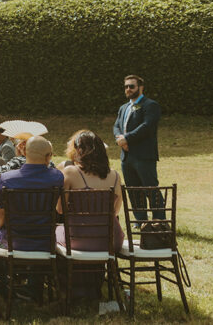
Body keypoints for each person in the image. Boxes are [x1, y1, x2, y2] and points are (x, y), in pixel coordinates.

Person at [57, 130, 125, 303]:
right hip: (110, 239)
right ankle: (93, 287)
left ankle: (72, 288)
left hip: (79, 238)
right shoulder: (115, 176)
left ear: (79, 151)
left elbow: (60, 210)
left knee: (56, 232)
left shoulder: (70, 172)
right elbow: (115, 212)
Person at [0, 136, 64, 250]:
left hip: (13, 240)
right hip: (45, 241)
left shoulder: (6, 179)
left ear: (24, 153)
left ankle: (2, 267)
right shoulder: (57, 177)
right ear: (48, 156)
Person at [113, 75, 164, 220]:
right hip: (126, 156)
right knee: (133, 190)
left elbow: (147, 127)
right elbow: (116, 126)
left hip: (143, 155)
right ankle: (140, 220)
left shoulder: (150, 105)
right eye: (126, 86)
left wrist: (127, 138)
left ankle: (159, 220)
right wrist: (120, 139)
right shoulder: (124, 107)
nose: (128, 89)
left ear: (141, 88)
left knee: (150, 189)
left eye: (131, 86)